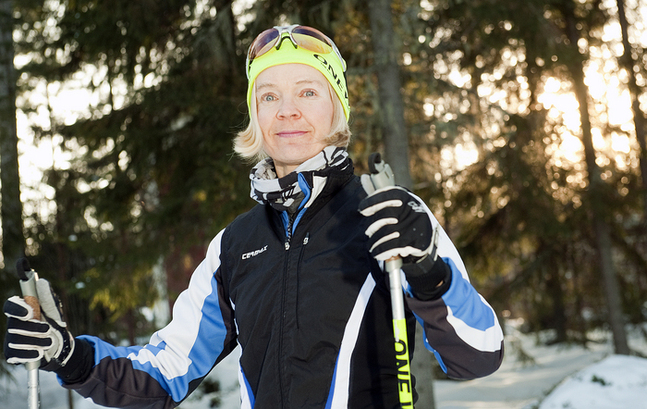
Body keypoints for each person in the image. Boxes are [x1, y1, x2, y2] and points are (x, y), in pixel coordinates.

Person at [4, 24, 504, 408]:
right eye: (269, 97)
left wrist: (428, 271)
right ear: (255, 118)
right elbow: (164, 373)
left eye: (308, 92)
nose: (287, 110)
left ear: (337, 110)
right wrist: (68, 354)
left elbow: (477, 355)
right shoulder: (235, 245)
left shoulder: (390, 216)